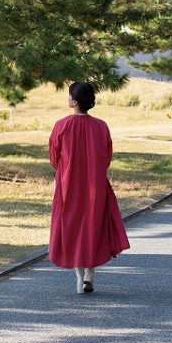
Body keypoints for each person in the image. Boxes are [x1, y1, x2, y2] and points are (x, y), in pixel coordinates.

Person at [48, 81, 130, 294]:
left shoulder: (61, 125)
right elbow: (107, 156)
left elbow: (54, 156)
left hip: (69, 184)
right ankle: (90, 274)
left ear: (74, 101)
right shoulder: (101, 126)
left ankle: (79, 275)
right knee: (94, 225)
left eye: (69, 96)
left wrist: (64, 170)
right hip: (95, 183)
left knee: (72, 225)